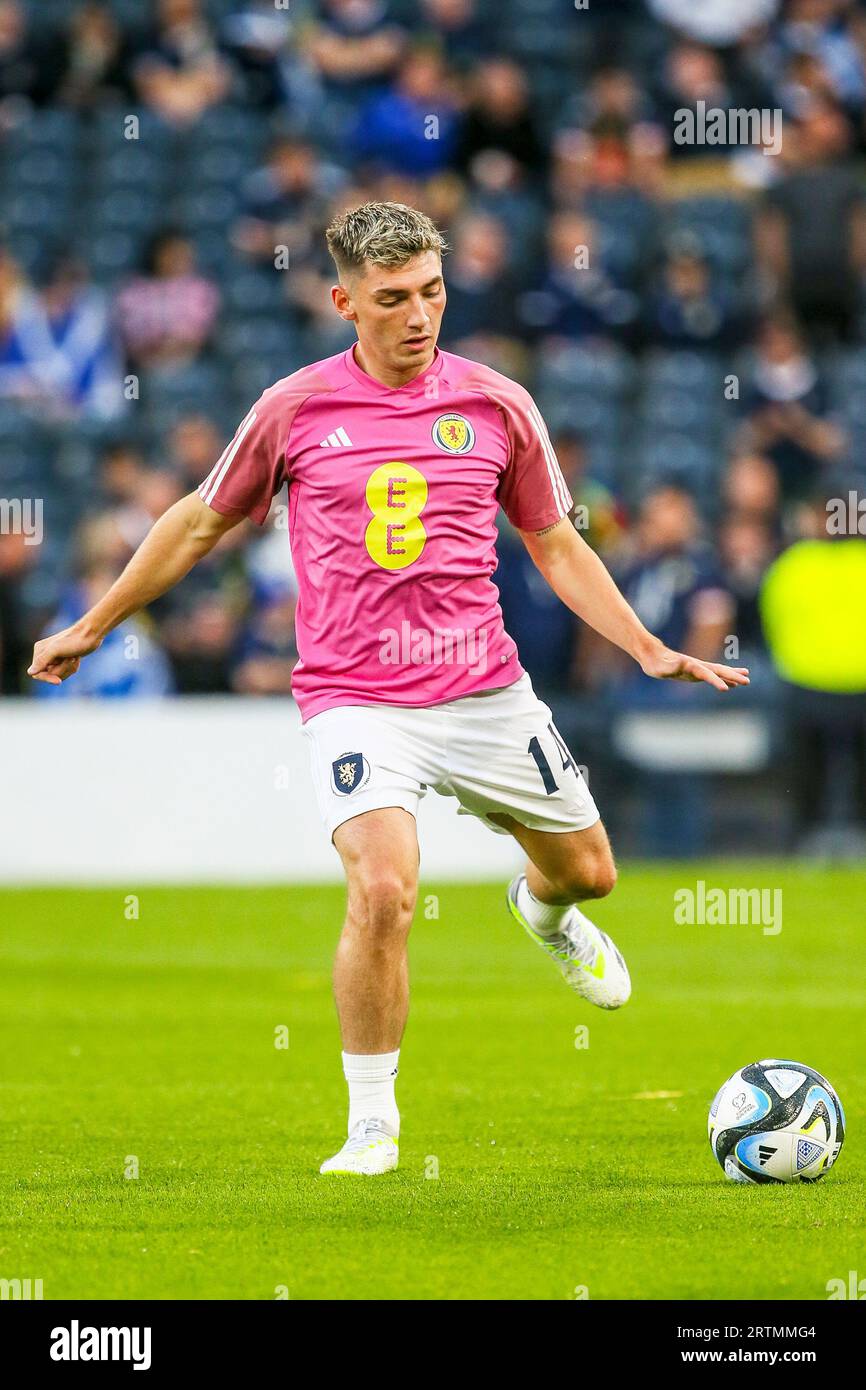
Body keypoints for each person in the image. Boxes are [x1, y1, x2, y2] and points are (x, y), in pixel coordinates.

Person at [28, 201, 748, 1176]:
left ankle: (540, 912)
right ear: (344, 301)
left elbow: (553, 541)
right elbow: (198, 523)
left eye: (433, 293)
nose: (419, 315)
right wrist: (94, 621)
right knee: (382, 889)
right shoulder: (291, 409)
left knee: (589, 873)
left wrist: (643, 644)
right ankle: (371, 1125)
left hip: (483, 692)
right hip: (355, 698)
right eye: (394, 298)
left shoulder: (496, 402)